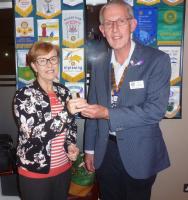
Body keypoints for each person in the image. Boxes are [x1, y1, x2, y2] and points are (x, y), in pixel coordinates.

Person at [72, 1, 171, 200]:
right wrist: (89, 150)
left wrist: (107, 113)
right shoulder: (99, 64)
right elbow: (93, 112)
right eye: (109, 23)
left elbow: (155, 110)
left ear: (133, 24)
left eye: (121, 21)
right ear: (102, 29)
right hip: (105, 151)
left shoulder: (157, 60)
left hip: (140, 152)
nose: (115, 29)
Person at [13, 41, 79, 200]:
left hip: (63, 169)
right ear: (34, 66)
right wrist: (66, 112)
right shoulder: (24, 96)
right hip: (35, 173)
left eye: (53, 59)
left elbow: (70, 126)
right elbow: (35, 135)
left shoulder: (64, 92)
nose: (50, 65)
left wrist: (70, 144)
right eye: (43, 60)